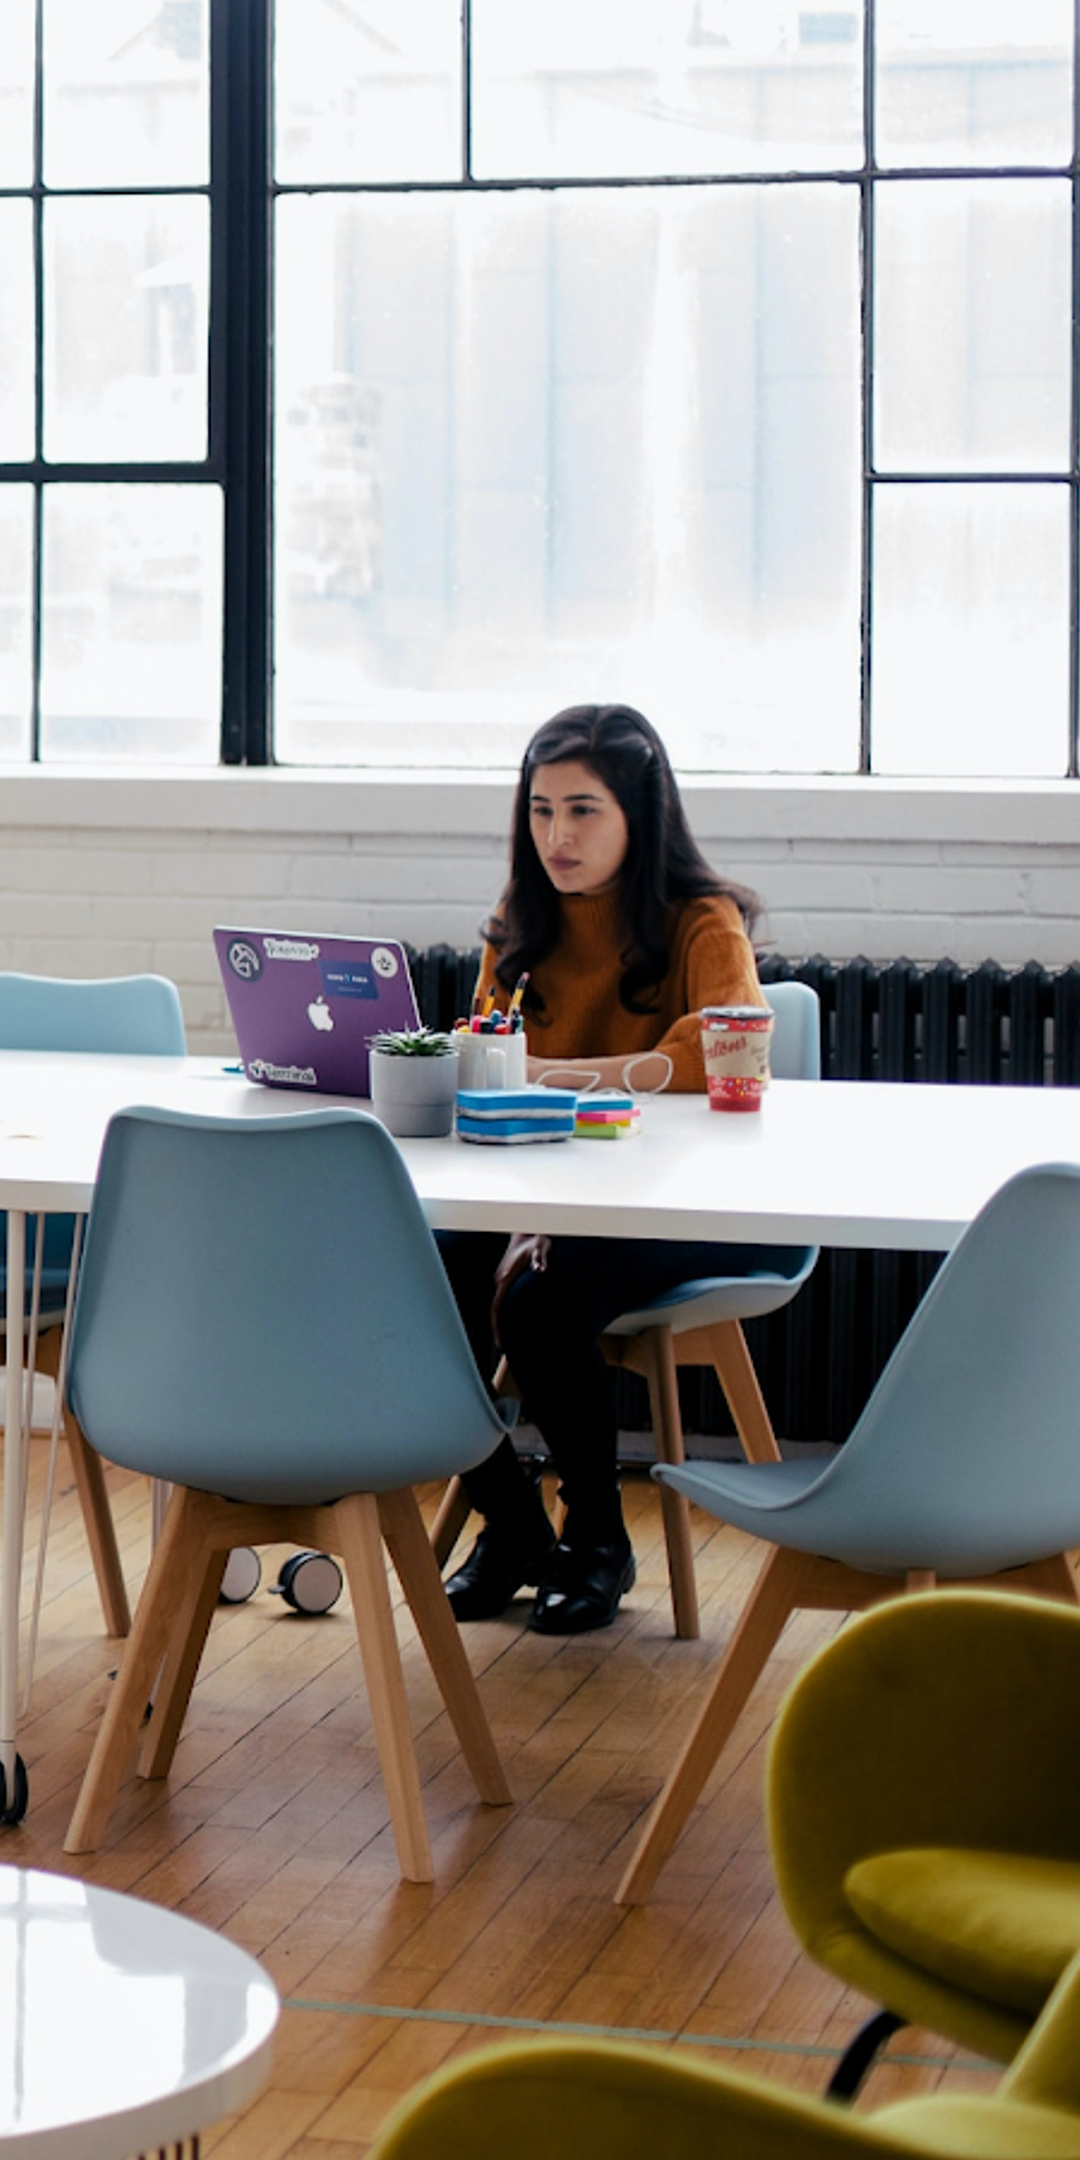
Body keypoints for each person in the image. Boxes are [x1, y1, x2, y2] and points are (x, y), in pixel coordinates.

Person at [437, 701, 777, 1636]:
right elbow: (486, 1050)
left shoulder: (701, 921)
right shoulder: (518, 922)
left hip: (683, 1199)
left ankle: (596, 1537)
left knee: (536, 1301)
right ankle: (510, 1524)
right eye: (542, 810)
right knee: (418, 1278)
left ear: (640, 814)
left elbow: (722, 1050)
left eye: (584, 810)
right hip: (540, 1184)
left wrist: (558, 1074)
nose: (558, 835)